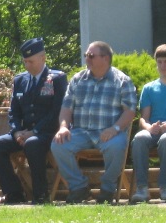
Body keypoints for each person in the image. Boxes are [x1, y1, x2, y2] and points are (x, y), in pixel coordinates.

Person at [51, 41, 137, 204]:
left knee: (117, 146)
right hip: (81, 132)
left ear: (105, 58)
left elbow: (130, 111)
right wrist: (63, 127)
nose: (87, 59)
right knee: (58, 145)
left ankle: (108, 189)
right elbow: (66, 108)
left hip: (109, 132)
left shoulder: (122, 81)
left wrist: (115, 128)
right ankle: (79, 188)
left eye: (91, 56)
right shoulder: (78, 79)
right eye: (86, 55)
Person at [0, 37, 68, 204]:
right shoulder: (20, 80)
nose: (27, 65)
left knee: (33, 144)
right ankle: (14, 193)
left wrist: (34, 131)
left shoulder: (56, 78)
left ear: (43, 58)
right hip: (24, 133)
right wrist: (17, 131)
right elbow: (14, 111)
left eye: (31, 61)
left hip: (47, 133)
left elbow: (56, 112)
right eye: (25, 61)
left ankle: (41, 194)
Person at [130, 45, 166, 204]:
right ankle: (142, 188)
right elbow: (143, 118)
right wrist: (149, 127)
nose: (163, 66)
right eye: (160, 62)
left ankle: (165, 187)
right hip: (153, 130)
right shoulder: (149, 88)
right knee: (139, 138)